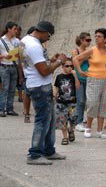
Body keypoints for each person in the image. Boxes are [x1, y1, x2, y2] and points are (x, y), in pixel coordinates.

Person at [22, 21, 67, 165]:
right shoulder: (34, 46)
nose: (48, 38)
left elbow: (36, 63)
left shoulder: (25, 40)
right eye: (49, 35)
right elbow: (44, 71)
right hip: (40, 86)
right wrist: (59, 62)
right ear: (42, 31)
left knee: (51, 119)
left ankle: (49, 150)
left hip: (36, 84)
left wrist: (50, 60)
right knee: (42, 121)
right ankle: (34, 154)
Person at [73, 28, 106, 139]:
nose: (96, 38)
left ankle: (99, 130)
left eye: (99, 36)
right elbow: (76, 59)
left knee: (103, 105)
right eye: (95, 36)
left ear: (105, 39)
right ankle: (88, 128)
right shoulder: (92, 50)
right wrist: (80, 71)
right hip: (93, 79)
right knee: (92, 103)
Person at [54, 58, 80, 145]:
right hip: (61, 103)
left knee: (73, 119)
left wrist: (75, 75)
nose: (70, 68)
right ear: (62, 67)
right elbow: (56, 88)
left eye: (71, 66)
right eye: (67, 66)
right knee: (62, 120)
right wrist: (54, 97)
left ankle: (71, 130)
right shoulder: (59, 77)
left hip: (72, 103)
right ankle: (65, 137)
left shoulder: (73, 76)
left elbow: (78, 87)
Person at [0, 21, 23, 117]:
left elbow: (22, 51)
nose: (16, 31)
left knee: (12, 89)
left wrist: (19, 53)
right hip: (4, 67)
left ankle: (10, 109)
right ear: (9, 29)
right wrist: (4, 56)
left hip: (14, 67)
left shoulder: (17, 41)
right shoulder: (1, 41)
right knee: (5, 88)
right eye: (14, 29)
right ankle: (1, 109)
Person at [71, 32, 91, 132]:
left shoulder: (88, 51)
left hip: (88, 78)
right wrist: (84, 57)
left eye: (90, 40)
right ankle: (78, 122)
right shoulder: (76, 51)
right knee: (80, 100)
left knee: (86, 101)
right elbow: (75, 64)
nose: (89, 42)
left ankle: (81, 120)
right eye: (87, 40)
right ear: (82, 40)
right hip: (79, 78)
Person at [22, 26, 35, 123]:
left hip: (36, 73)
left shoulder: (37, 43)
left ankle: (27, 113)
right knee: (27, 93)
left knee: (29, 94)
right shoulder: (24, 42)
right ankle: (26, 113)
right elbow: (20, 58)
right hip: (28, 72)